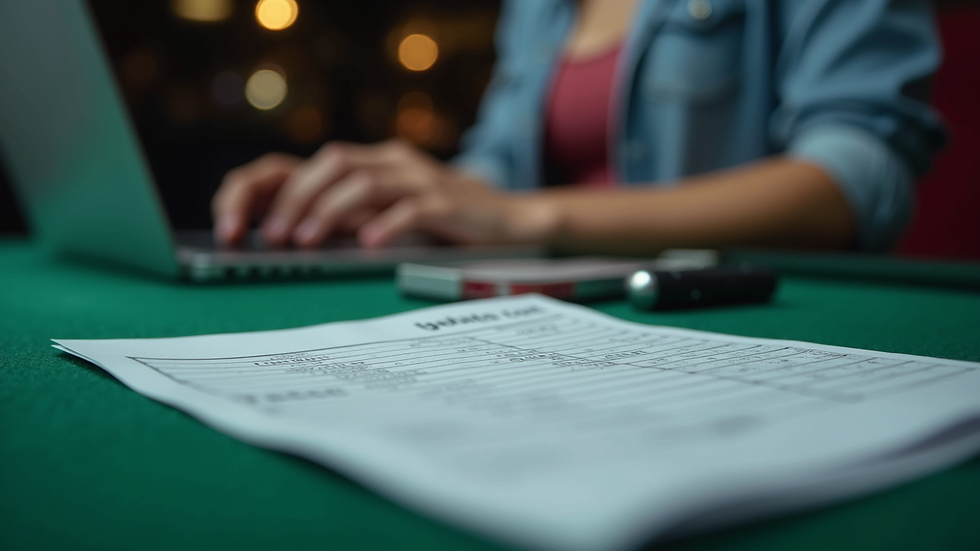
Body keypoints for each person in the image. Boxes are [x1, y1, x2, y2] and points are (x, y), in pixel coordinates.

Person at [212, 0, 945, 256]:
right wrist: (382, 198)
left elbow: (860, 177)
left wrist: (528, 217)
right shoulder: (539, 3)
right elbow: (499, 162)